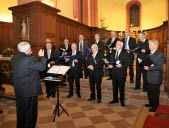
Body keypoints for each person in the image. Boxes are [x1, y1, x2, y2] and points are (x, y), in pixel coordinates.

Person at [12, 41, 47, 128]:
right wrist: (42, 56)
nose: (31, 49)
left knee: (20, 113)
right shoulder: (29, 59)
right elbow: (42, 67)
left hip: (19, 90)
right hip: (29, 91)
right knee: (31, 115)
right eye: (30, 48)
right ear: (27, 49)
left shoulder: (14, 58)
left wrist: (29, 55)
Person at [105, 41, 129, 107]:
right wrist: (110, 65)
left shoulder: (125, 53)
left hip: (121, 73)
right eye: (116, 44)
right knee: (114, 87)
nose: (116, 46)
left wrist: (122, 65)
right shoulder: (113, 53)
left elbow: (128, 62)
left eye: (117, 45)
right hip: (114, 72)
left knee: (121, 87)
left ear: (121, 46)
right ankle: (115, 99)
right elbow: (112, 62)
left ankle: (122, 101)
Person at [144, 40, 165, 112]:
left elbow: (159, 67)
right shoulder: (150, 53)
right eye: (149, 45)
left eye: (151, 45)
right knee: (149, 92)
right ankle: (151, 103)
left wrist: (149, 68)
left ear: (156, 46)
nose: (149, 46)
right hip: (149, 77)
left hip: (155, 78)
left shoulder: (160, 54)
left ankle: (155, 106)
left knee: (155, 93)